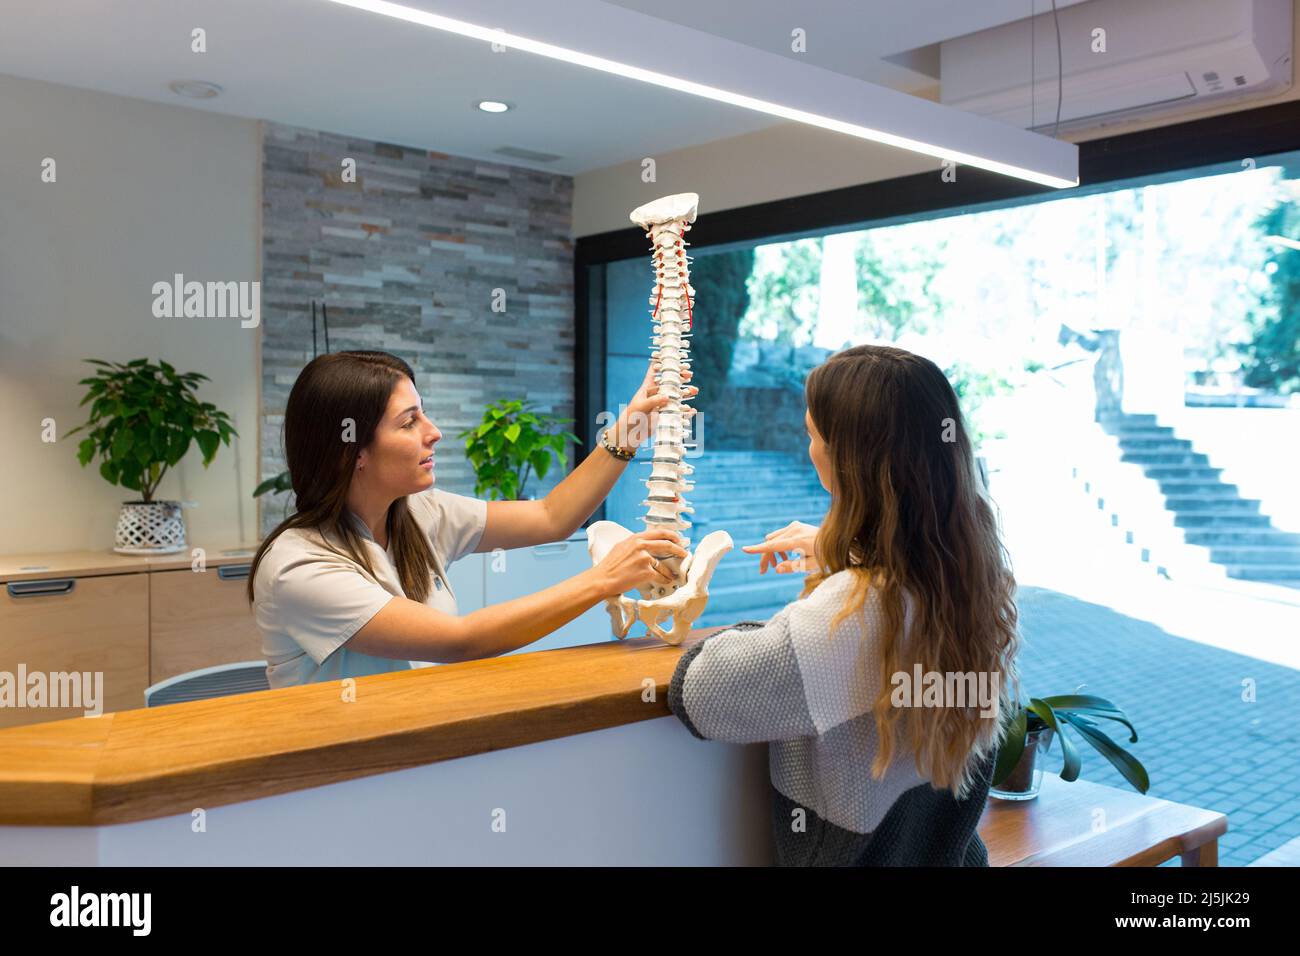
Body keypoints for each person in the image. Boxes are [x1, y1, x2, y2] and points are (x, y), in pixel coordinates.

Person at [667, 344, 1022, 866]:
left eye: (812, 435)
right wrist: (847, 556)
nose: (808, 448)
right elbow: (894, 589)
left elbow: (696, 695)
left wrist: (823, 592)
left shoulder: (842, 620)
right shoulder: (972, 581)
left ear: (849, 459)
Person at [247, 349, 695, 688]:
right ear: (354, 451)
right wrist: (601, 580)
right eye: (408, 423)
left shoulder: (421, 513)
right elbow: (460, 640)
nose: (433, 432)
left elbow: (550, 516)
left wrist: (634, 424)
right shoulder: (298, 567)